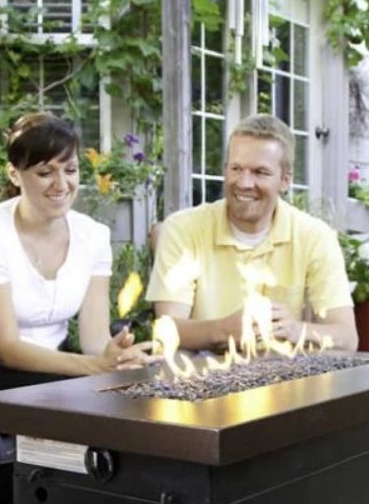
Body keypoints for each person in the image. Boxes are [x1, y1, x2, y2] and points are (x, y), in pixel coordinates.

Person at [0, 112, 152, 391]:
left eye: (70, 170)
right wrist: (93, 367)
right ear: (14, 174)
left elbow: (94, 340)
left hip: (58, 372)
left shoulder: (93, 235)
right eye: (45, 173)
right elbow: (7, 348)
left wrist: (116, 357)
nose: (61, 184)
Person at [146, 113, 358, 352]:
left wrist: (295, 329)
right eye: (236, 168)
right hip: (202, 377)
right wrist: (224, 331)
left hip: (284, 380)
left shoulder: (315, 236)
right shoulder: (183, 229)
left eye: (260, 172)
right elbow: (168, 329)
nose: (244, 183)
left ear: (285, 180)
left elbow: (347, 337)